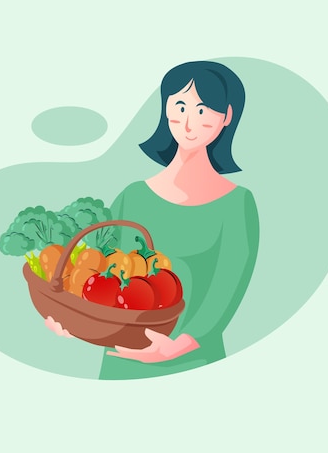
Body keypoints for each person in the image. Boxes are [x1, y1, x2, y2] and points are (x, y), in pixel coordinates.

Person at [46, 60, 260, 380]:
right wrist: (71, 322)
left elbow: (225, 295)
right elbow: (96, 282)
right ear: (165, 109)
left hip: (194, 365)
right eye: (180, 106)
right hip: (121, 361)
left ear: (227, 115)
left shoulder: (236, 204)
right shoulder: (132, 197)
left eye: (203, 111)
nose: (188, 122)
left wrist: (176, 347)